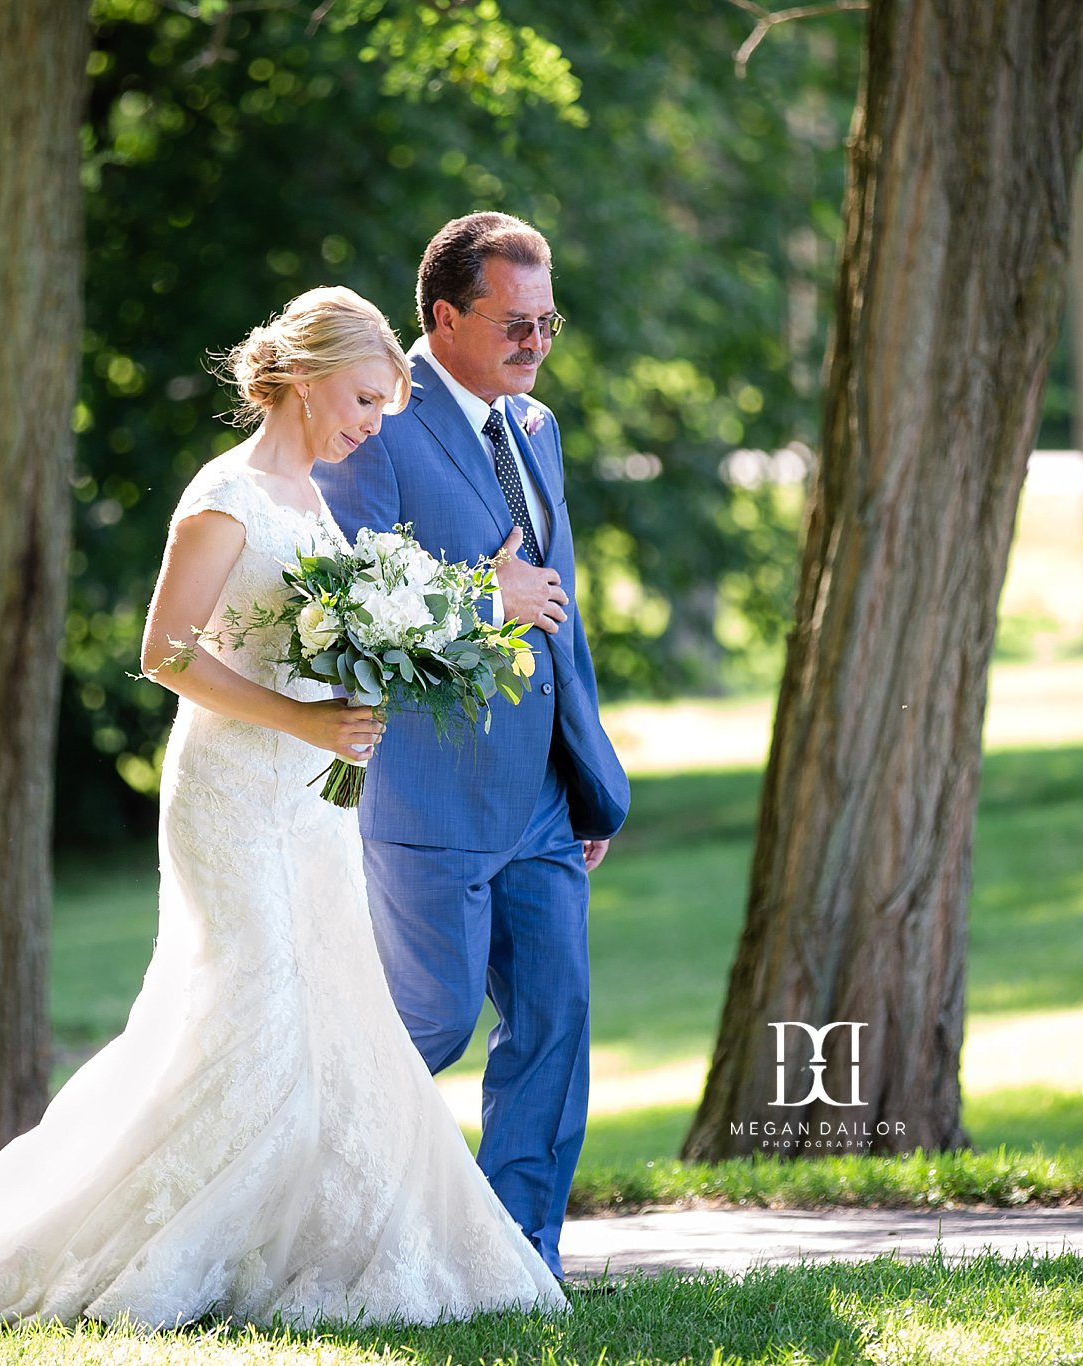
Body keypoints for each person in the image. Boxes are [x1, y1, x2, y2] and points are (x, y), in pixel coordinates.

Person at [0, 285, 566, 1338]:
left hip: (309, 805)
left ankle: (297, 1243)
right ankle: (170, 1243)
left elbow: (317, 624)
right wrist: (299, 715)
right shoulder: (224, 494)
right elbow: (166, 653)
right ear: (310, 375)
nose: (373, 423)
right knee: (256, 1016)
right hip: (233, 800)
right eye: (366, 398)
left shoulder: (316, 496)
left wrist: (373, 670)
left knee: (327, 1018)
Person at [313, 214, 630, 1281]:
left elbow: (562, 616)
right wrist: (480, 598)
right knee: (433, 1023)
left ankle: (513, 1260)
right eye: (513, 321)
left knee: (553, 1023)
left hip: (540, 795)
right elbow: (351, 597)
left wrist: (587, 781)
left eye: (547, 322)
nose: (535, 341)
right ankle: (340, 1229)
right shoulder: (373, 423)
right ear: (443, 316)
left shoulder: (533, 428)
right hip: (428, 792)